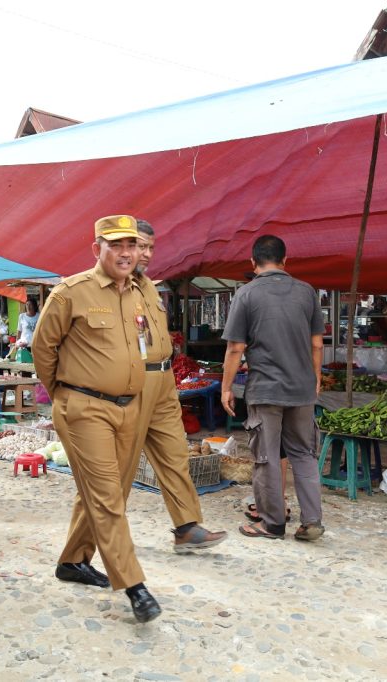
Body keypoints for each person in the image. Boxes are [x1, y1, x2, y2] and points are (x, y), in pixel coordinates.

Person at [33, 214, 161, 624]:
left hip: (129, 406)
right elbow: (43, 349)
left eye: (131, 245)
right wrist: (65, 396)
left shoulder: (138, 292)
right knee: (108, 496)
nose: (126, 254)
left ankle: (72, 560)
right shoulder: (71, 292)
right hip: (84, 407)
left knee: (110, 492)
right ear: (97, 250)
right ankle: (135, 586)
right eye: (115, 245)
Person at [130, 219, 227, 551]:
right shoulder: (102, 288)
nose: (145, 254)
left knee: (174, 456)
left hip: (163, 383)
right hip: (130, 386)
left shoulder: (147, 287)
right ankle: (80, 548)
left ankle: (186, 526)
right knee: (113, 471)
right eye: (139, 245)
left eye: (149, 248)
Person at [220, 235, 325, 542]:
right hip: (302, 389)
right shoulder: (307, 293)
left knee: (266, 457)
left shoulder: (247, 294)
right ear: (285, 261)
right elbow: (317, 343)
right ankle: (312, 521)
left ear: (253, 263)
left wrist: (226, 387)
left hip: (266, 389)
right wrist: (315, 377)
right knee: (304, 454)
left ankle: (272, 524)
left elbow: (235, 348)